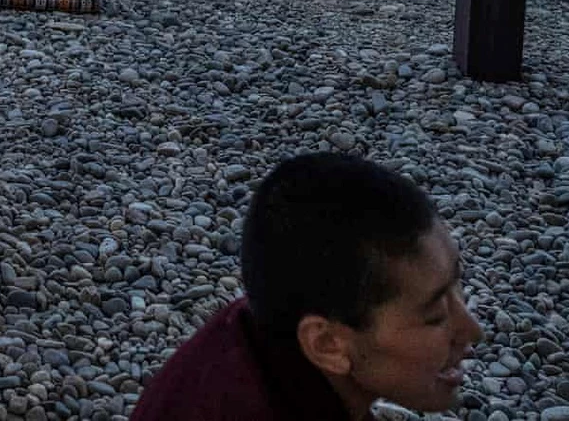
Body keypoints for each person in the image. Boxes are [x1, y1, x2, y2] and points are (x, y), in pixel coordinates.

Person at [132, 152, 483, 421]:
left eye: (457, 284)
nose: (472, 329)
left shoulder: (262, 332)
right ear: (327, 343)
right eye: (436, 315)